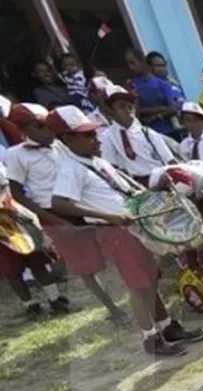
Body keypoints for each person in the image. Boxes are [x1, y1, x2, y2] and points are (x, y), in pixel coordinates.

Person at [47, 105, 203, 356]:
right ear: (67, 139)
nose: (95, 139)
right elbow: (59, 202)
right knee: (138, 286)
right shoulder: (71, 168)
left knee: (149, 278)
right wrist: (106, 215)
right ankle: (151, 338)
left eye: (94, 133)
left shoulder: (96, 161)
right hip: (114, 230)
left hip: (132, 225)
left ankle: (167, 326)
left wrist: (154, 191)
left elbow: (126, 189)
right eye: (86, 136)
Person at [5, 103, 124, 321]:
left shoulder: (61, 145)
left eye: (49, 126)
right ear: (24, 129)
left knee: (108, 251)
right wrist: (53, 220)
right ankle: (112, 308)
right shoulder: (16, 155)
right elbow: (17, 193)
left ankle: (125, 293)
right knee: (85, 266)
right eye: (39, 126)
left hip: (81, 203)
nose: (47, 131)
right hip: (53, 212)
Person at [0, 161, 69, 318]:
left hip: (15, 218)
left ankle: (55, 299)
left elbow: (7, 187)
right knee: (11, 270)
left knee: (36, 260)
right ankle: (31, 305)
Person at [98, 85, 176, 185]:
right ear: (111, 110)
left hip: (161, 178)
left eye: (130, 106)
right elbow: (112, 168)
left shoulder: (147, 133)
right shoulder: (107, 137)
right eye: (121, 106)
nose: (128, 110)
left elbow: (169, 160)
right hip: (135, 184)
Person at [125, 49, 181, 137]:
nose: (130, 67)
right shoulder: (132, 85)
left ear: (142, 62)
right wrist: (161, 109)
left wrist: (154, 117)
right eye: (128, 63)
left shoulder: (161, 83)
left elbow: (173, 108)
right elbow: (134, 111)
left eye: (133, 63)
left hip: (169, 132)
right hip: (148, 134)